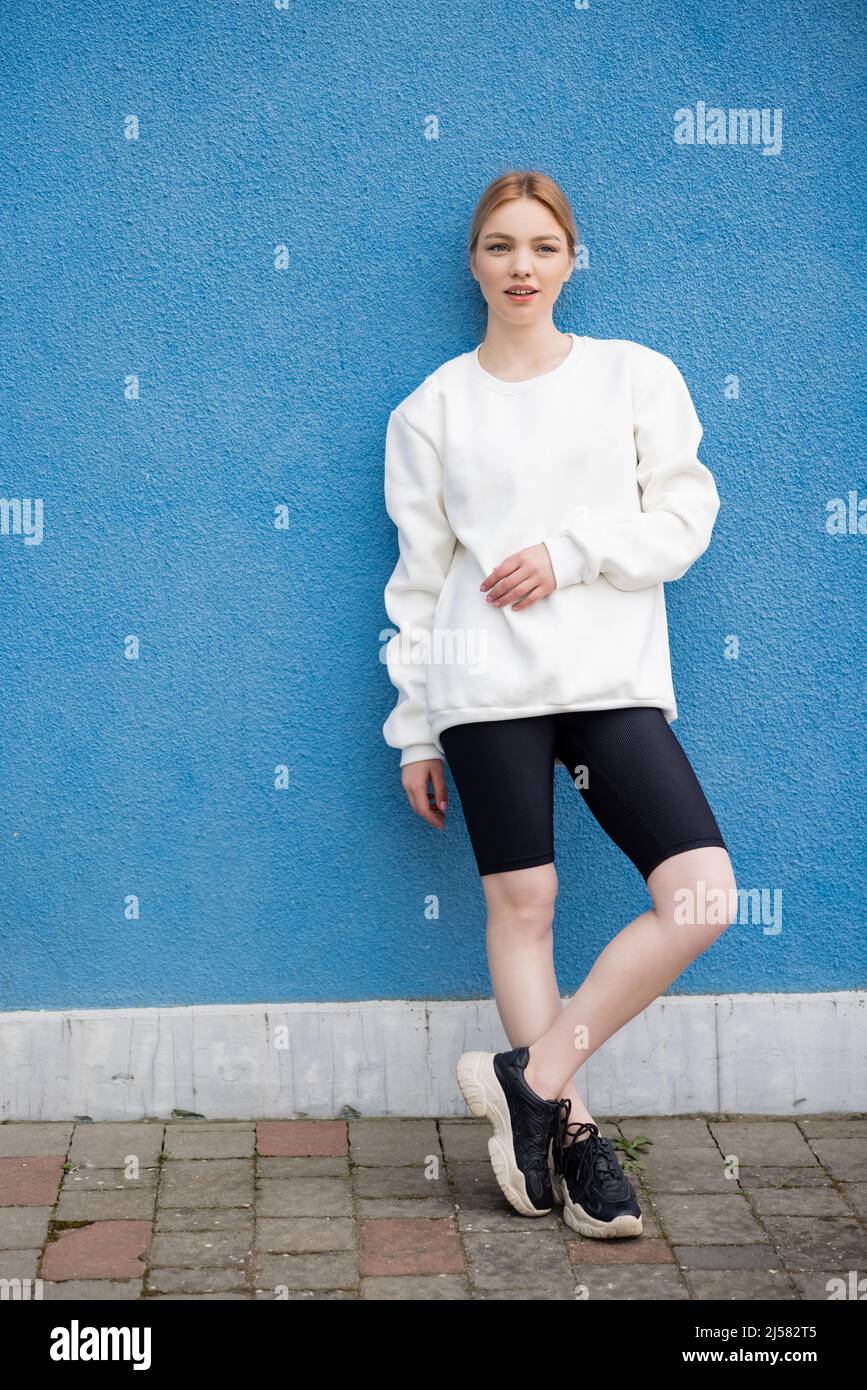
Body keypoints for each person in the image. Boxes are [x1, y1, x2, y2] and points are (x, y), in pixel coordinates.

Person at [381, 169, 738, 1240]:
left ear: (572, 259)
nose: (521, 265)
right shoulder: (431, 408)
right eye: (499, 246)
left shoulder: (635, 377)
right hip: (482, 689)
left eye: (542, 245)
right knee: (522, 906)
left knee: (703, 895)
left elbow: (686, 517)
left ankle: (530, 1078)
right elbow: (414, 581)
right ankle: (575, 1137)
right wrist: (412, 726)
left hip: (607, 681)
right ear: (474, 264)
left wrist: (569, 552)